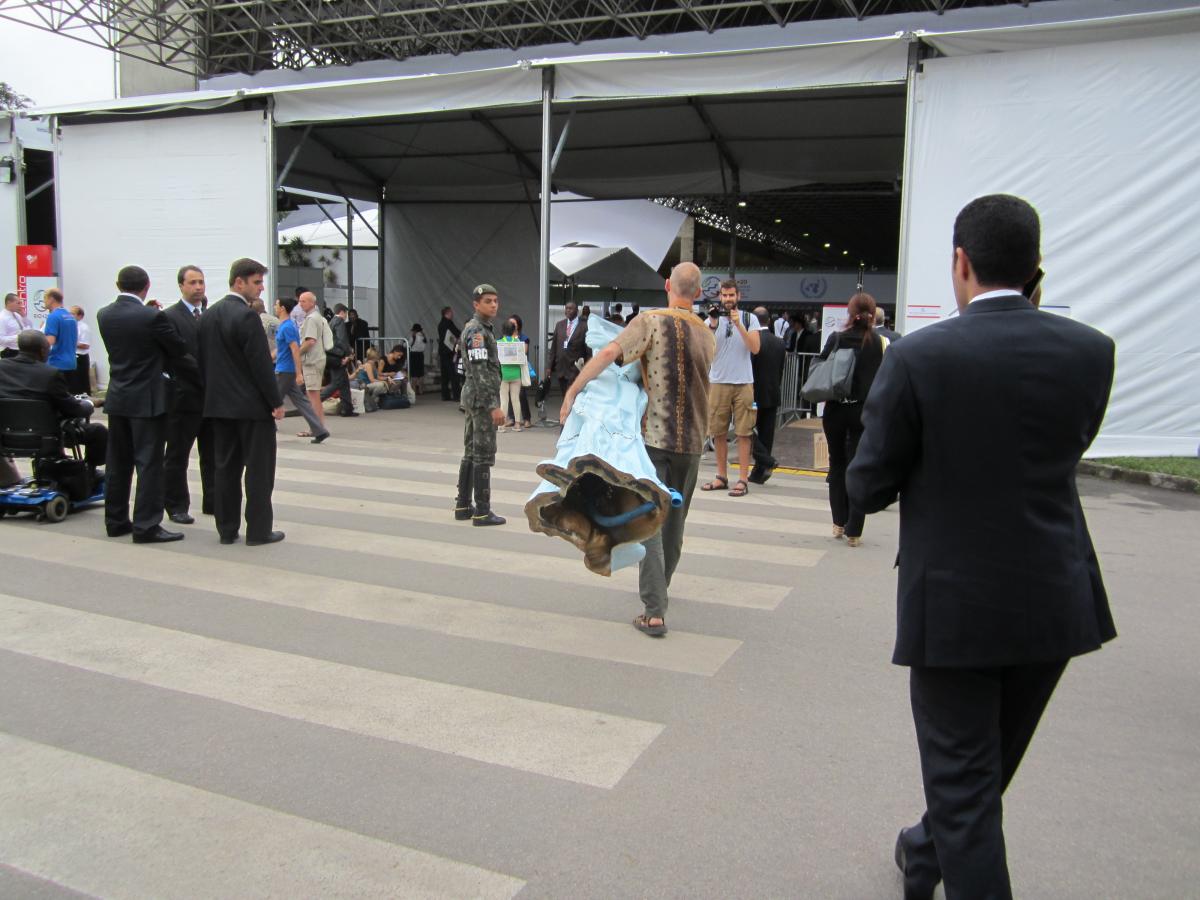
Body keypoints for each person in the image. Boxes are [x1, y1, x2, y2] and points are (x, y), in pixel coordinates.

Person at [846, 194, 1116, 900]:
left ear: (960, 263)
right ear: (1036, 272)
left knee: (966, 786)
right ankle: (921, 853)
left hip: (955, 606)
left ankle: (934, 852)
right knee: (980, 774)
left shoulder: (918, 357)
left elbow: (868, 486)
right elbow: (1062, 451)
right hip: (1056, 601)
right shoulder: (1091, 353)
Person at [560, 262, 714, 637]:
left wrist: (573, 390)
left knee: (651, 522)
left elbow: (608, 354)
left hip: (654, 439)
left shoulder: (650, 322)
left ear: (667, 285)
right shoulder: (707, 333)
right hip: (693, 442)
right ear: (697, 293)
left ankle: (655, 611)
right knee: (675, 521)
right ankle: (661, 590)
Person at [96, 265, 190, 544]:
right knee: (148, 463)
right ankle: (147, 524)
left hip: (118, 395)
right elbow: (177, 347)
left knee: (117, 462)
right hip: (148, 397)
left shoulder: (104, 314)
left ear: (118, 285)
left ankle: (115, 520)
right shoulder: (152, 316)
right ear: (146, 286)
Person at [199, 258, 285, 546]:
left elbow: (203, 361)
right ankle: (259, 530)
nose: (261, 288)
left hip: (219, 406)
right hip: (250, 407)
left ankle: (226, 528)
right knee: (259, 470)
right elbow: (259, 364)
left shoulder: (209, 315)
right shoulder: (247, 316)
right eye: (257, 282)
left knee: (225, 468)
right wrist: (275, 400)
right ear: (239, 282)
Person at [818, 292, 884, 547]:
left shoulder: (837, 339)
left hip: (836, 409)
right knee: (858, 466)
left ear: (849, 312)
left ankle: (838, 522)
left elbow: (821, 366)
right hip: (863, 412)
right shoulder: (877, 342)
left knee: (837, 464)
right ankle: (855, 529)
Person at [0, 329, 107, 475]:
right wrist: (88, 404)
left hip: (6, 436)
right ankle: (89, 472)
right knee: (98, 431)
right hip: (47, 436)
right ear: (43, 350)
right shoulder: (50, 373)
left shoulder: (2, 368)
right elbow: (73, 409)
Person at [162, 265, 215, 525]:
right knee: (177, 455)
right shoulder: (169, 316)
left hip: (211, 398)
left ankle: (214, 500)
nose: (198, 287)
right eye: (193, 282)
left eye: (201, 282)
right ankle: (176, 505)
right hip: (183, 397)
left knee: (213, 453)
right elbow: (177, 355)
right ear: (181, 286)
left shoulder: (210, 315)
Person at [700, 278, 762, 498]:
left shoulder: (749, 318)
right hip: (717, 381)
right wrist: (714, 324)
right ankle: (721, 476)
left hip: (744, 381)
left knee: (744, 432)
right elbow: (707, 352)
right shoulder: (710, 322)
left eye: (731, 295)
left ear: (738, 296)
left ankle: (743, 479)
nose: (728, 299)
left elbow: (755, 348)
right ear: (720, 297)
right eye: (724, 296)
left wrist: (738, 324)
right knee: (718, 431)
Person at [453, 284, 506, 526]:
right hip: (482, 401)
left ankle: (463, 505)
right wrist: (493, 405)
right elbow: (480, 372)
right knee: (483, 453)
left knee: (471, 451)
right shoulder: (477, 332)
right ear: (476, 304)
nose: (493, 304)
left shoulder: (479, 329)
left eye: (495, 300)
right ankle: (482, 511)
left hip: (473, 398)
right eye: (488, 301)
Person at [275, 297, 329, 442]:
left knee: (272, 399)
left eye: (276, 305)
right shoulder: (285, 326)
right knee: (301, 402)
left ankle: (266, 429)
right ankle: (319, 430)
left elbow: (295, 350)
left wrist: (298, 373)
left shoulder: (287, 327)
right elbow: (282, 349)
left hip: (285, 370)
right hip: (285, 368)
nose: (275, 307)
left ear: (282, 308)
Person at [749, 306, 785, 485]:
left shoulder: (753, 341)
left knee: (746, 430)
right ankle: (761, 471)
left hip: (754, 392)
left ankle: (766, 460)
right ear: (769, 321)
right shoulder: (779, 343)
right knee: (766, 433)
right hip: (772, 391)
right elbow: (781, 369)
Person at [297, 292, 331, 434]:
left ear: (312, 303)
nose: (300, 303)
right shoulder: (317, 317)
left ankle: (316, 427)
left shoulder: (311, 319)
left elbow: (310, 341)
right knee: (313, 393)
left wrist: (296, 353)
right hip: (317, 358)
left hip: (312, 360)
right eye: (299, 301)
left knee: (313, 395)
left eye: (303, 301)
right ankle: (319, 425)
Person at [547, 300, 590, 398]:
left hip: (575, 368)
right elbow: (554, 347)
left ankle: (569, 412)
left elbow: (588, 349)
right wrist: (549, 366)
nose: (568, 310)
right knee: (564, 395)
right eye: (566, 308)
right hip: (561, 367)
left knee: (571, 395)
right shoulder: (559, 325)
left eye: (571, 308)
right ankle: (567, 412)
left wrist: (588, 367)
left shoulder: (584, 326)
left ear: (577, 311)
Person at [321, 303, 357, 417]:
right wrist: (348, 353)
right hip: (337, 356)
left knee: (344, 383)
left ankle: (347, 409)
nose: (346, 316)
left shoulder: (330, 322)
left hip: (330, 356)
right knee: (336, 383)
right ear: (342, 312)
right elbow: (342, 340)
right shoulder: (339, 322)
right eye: (346, 313)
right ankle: (314, 402)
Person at [497, 320, 525, 433]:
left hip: (503, 374)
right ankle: (517, 424)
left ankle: (502, 425)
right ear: (514, 330)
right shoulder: (518, 341)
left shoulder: (499, 342)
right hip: (516, 374)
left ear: (503, 330)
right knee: (516, 399)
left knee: (504, 400)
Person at [42, 288, 77, 376]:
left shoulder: (53, 316)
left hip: (57, 363)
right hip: (71, 362)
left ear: (51, 299)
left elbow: (50, 341)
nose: (44, 301)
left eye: (45, 298)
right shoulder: (70, 316)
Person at [508, 313, 533, 427]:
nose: (511, 325)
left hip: (519, 367)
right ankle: (512, 418)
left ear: (518, 325)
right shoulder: (505, 337)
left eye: (513, 323)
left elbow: (524, 352)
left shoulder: (524, 338)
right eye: (510, 323)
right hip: (508, 368)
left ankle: (527, 418)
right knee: (509, 393)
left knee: (521, 394)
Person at [437, 305, 462, 401]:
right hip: (449, 351)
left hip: (442, 351)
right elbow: (456, 332)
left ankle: (445, 395)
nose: (452, 314)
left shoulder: (440, 323)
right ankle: (456, 395)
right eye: (451, 312)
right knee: (453, 373)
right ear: (447, 313)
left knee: (445, 374)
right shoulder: (448, 323)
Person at [68, 306, 92, 395]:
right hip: (72, 356)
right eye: (69, 313)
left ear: (80, 316)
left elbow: (85, 345)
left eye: (73, 314)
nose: (70, 316)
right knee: (73, 382)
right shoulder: (70, 326)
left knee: (81, 381)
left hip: (81, 358)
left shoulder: (84, 328)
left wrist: (69, 342)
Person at [2, 292, 33, 359]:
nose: (21, 306)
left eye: (21, 303)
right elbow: (1, 339)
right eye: (18, 303)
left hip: (23, 351)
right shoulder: (2, 318)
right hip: (10, 353)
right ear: (9, 303)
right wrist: (19, 337)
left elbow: (30, 327)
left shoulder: (18, 315)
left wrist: (24, 316)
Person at [409, 323, 426, 393]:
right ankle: (421, 390)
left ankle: (414, 389)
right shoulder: (423, 337)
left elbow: (407, 344)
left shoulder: (413, 337)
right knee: (420, 373)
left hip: (413, 355)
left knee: (414, 373)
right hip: (421, 355)